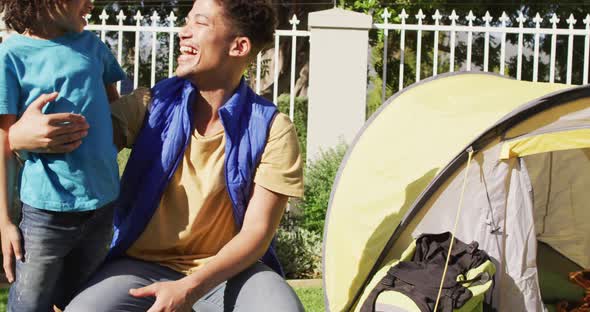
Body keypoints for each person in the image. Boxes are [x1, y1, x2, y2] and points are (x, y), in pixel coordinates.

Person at [9, 0, 305, 311]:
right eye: (186, 21)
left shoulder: (273, 128)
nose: (183, 32)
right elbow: (78, 147)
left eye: (200, 24)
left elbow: (256, 234)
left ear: (239, 46)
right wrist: (17, 136)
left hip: (229, 272)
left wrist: (188, 288)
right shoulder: (149, 105)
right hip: (140, 266)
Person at [0, 0, 126, 310]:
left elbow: (116, 117)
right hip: (45, 212)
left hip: (103, 205)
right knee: (31, 304)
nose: (92, 4)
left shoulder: (93, 46)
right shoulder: (11, 54)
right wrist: (3, 221)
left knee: (80, 302)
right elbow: (4, 139)